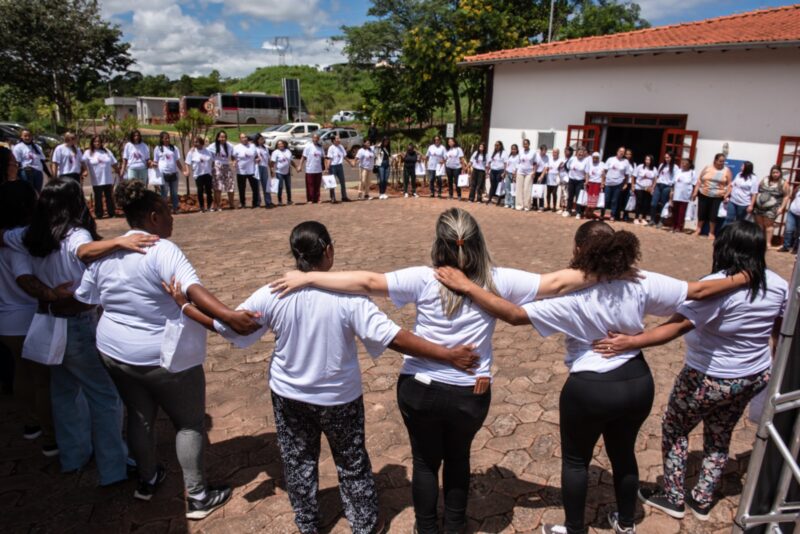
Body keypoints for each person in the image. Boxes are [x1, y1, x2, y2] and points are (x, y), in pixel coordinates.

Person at [269, 208, 614, 534]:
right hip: (470, 394)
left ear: (439, 243)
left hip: (419, 391)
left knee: (424, 463)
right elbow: (556, 283)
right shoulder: (497, 279)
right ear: (477, 241)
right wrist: (613, 267)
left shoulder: (423, 278)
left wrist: (308, 276)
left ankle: (427, 527)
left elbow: (367, 281)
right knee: (458, 459)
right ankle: (455, 525)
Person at [433, 220, 748, 534]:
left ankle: (573, 529)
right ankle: (626, 523)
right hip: (637, 381)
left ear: (578, 250)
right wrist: (745, 275)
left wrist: (469, 287)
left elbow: (514, 315)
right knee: (624, 453)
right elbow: (700, 290)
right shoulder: (641, 280)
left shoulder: (571, 300)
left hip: (590, 387)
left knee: (575, 462)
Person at [173, 220, 481, 534]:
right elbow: (395, 338)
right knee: (351, 462)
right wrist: (447, 354)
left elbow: (230, 325)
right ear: (329, 251)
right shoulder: (349, 298)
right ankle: (363, 524)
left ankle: (307, 523)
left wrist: (185, 306)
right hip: (339, 398)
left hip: (288, 395)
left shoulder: (273, 292)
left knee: (298, 462)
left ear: (296, 255)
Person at [74, 181, 258, 516]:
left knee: (139, 415)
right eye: (169, 211)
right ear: (154, 216)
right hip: (162, 356)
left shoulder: (106, 252)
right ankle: (199, 496)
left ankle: (147, 480)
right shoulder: (162, 249)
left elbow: (85, 297)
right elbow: (192, 289)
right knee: (188, 423)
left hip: (114, 352)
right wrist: (228, 315)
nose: (172, 218)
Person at [595, 221, 786, 522]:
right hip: (751, 376)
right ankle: (702, 497)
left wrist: (631, 341)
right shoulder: (777, 284)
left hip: (708, 377)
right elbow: (779, 327)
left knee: (675, 429)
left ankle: (673, 496)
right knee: (720, 434)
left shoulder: (718, 286)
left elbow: (678, 325)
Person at [1, 178, 159, 486]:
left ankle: (73, 457)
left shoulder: (30, 235)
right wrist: (118, 242)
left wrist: (47, 294)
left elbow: (12, 252)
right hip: (78, 322)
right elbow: (85, 251)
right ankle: (113, 467)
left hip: (48, 321)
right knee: (105, 396)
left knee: (64, 392)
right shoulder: (76, 233)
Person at [0, 179, 65, 456]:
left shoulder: (5, 237)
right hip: (29, 318)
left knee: (21, 374)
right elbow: (25, 277)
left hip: (7, 321)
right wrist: (52, 295)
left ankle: (31, 423)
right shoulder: (22, 240)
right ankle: (50, 437)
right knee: (43, 381)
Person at [692, 153, 732, 239]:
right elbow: (699, 180)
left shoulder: (726, 170)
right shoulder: (707, 168)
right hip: (703, 193)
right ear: (715, 160)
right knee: (701, 213)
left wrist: (726, 195)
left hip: (717, 196)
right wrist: (695, 192)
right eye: (720, 161)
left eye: (723, 161)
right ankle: (698, 230)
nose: (722, 163)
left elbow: (729, 184)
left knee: (713, 215)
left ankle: (711, 232)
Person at [752, 165, 790, 245]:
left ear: (780, 173)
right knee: (759, 225)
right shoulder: (765, 179)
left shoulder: (783, 183)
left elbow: (786, 196)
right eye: (773, 172)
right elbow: (757, 189)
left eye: (777, 172)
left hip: (772, 208)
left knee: (768, 225)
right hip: (759, 206)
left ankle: (767, 243)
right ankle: (758, 241)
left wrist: (781, 208)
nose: (775, 174)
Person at [83, 135, 118, 219]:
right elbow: (82, 162)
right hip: (97, 179)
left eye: (99, 141)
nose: (97, 143)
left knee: (109, 197)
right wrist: (85, 170)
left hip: (107, 178)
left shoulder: (106, 151)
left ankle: (111, 213)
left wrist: (118, 170)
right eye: (95, 141)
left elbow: (113, 163)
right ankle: (99, 214)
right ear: (92, 142)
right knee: (98, 197)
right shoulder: (88, 152)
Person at [152, 131, 182, 214]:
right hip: (163, 174)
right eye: (165, 138)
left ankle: (175, 208)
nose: (167, 140)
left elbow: (177, 161)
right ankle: (164, 210)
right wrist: (153, 165)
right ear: (161, 139)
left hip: (173, 173)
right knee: (164, 193)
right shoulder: (158, 148)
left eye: (168, 138)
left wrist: (183, 170)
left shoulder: (174, 148)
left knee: (174, 193)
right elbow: (155, 161)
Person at [184, 136, 214, 212]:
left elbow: (212, 161)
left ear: (201, 143)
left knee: (208, 191)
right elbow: (187, 163)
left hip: (207, 173)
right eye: (194, 142)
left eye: (197, 142)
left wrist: (212, 170)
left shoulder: (207, 151)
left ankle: (210, 206)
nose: (195, 143)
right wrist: (187, 171)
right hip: (198, 174)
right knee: (200, 191)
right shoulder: (192, 152)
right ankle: (202, 207)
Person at [602, 147, 632, 221]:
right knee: (606, 200)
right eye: (620, 151)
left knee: (614, 201)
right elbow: (604, 171)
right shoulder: (610, 159)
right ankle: (602, 214)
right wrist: (603, 181)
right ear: (617, 151)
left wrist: (625, 184)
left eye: (623, 152)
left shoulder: (625, 162)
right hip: (608, 183)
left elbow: (627, 175)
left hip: (618, 184)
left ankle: (612, 216)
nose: (621, 153)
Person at [209, 131, 236, 210]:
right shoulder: (212, 146)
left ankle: (231, 204)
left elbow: (233, 156)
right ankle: (218, 205)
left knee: (231, 185)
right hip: (217, 166)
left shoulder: (229, 146)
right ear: (218, 138)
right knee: (218, 186)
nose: (222, 138)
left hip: (226, 166)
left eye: (224, 137)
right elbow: (206, 153)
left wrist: (234, 162)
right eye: (221, 137)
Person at [295, 133, 324, 204]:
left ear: (318, 139)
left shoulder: (320, 147)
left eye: (317, 138)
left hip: (318, 169)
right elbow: (303, 157)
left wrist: (325, 168)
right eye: (314, 138)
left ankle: (317, 198)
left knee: (317, 185)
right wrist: (300, 166)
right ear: (312, 139)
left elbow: (323, 158)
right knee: (310, 185)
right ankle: (310, 199)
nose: (315, 139)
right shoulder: (308, 147)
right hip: (310, 169)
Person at [233, 133, 260, 208]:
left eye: (245, 137)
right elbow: (233, 157)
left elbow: (256, 156)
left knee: (255, 188)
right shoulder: (236, 147)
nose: (244, 139)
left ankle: (255, 203)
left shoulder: (252, 146)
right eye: (242, 138)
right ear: (240, 139)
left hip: (252, 170)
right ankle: (242, 203)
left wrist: (257, 159)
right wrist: (234, 162)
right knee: (241, 188)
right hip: (241, 171)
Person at [670, 159, 696, 233]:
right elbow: (673, 182)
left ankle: (679, 227)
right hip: (676, 194)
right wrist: (671, 191)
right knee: (675, 210)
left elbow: (694, 184)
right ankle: (673, 225)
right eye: (682, 163)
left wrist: (693, 193)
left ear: (689, 165)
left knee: (682, 212)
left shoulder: (692, 172)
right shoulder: (678, 171)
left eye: (685, 163)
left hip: (685, 195)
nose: (683, 164)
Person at [650, 152, 676, 228]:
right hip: (658, 185)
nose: (666, 159)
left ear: (672, 158)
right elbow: (657, 177)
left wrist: (672, 190)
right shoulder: (662, 165)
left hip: (667, 187)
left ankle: (661, 221)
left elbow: (674, 180)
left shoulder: (675, 167)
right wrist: (653, 187)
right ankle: (652, 220)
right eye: (665, 157)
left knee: (663, 204)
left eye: (668, 157)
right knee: (653, 203)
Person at [565, 146, 590, 217]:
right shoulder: (572, 159)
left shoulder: (586, 161)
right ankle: (568, 211)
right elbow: (567, 167)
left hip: (580, 181)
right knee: (570, 196)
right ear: (577, 153)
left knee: (578, 197)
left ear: (583, 154)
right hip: (571, 180)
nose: (580, 154)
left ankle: (578, 212)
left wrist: (586, 181)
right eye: (579, 153)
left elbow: (587, 173)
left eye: (582, 153)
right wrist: (568, 176)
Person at [632, 155, 656, 225]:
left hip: (648, 188)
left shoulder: (654, 169)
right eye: (646, 160)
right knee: (639, 202)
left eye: (649, 160)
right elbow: (633, 176)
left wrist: (652, 187)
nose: (647, 161)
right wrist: (633, 185)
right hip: (639, 187)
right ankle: (636, 218)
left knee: (646, 203)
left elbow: (655, 179)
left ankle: (643, 218)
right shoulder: (640, 166)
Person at [326, 136, 350, 203]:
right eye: (337, 139)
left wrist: (351, 163)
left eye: (339, 138)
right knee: (332, 183)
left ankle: (344, 196)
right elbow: (329, 158)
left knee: (342, 181)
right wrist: (327, 168)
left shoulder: (341, 146)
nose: (339, 140)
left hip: (340, 166)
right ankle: (332, 198)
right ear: (333, 141)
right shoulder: (331, 148)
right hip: (333, 166)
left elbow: (345, 156)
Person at [254, 134, 275, 209]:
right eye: (260, 139)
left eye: (263, 139)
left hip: (264, 167)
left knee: (266, 185)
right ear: (257, 140)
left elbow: (268, 159)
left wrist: (271, 169)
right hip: (256, 167)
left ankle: (268, 201)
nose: (262, 140)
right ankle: (257, 202)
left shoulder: (265, 148)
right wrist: (255, 160)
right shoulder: (254, 148)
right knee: (257, 186)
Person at [582, 151, 605, 220]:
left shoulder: (602, 164)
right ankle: (586, 213)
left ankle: (591, 213)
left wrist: (602, 183)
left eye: (596, 158)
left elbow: (603, 175)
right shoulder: (589, 164)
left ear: (599, 158)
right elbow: (587, 173)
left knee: (594, 199)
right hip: (590, 183)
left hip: (597, 183)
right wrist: (586, 181)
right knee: (588, 199)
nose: (595, 159)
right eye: (593, 158)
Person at [515, 139, 536, 211]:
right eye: (524, 144)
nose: (525, 145)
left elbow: (535, 163)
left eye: (526, 144)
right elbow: (518, 162)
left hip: (529, 173)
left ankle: (527, 206)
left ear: (529, 144)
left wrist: (534, 172)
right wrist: (515, 172)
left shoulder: (533, 152)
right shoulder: (520, 151)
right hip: (520, 172)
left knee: (527, 189)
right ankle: (519, 205)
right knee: (519, 189)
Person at [271, 139, 293, 205]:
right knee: (280, 186)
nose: (280, 145)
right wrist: (272, 171)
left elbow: (291, 161)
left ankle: (289, 200)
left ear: (284, 144)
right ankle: (280, 201)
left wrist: (296, 167)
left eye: (281, 144)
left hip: (287, 171)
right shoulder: (275, 152)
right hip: (279, 172)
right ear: (277, 146)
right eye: (279, 144)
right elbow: (272, 163)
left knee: (288, 187)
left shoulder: (288, 151)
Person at [778, 186, 800, 253]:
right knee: (788, 230)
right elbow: (793, 196)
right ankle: (786, 246)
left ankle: (796, 248)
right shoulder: (798, 187)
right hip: (792, 212)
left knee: (798, 232)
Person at [545, 147, 565, 212]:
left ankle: (554, 206)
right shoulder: (549, 159)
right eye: (553, 152)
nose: (554, 153)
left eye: (556, 152)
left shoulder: (561, 160)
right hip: (549, 176)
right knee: (548, 193)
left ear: (558, 153)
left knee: (554, 192)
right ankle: (548, 205)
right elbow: (547, 167)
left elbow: (561, 168)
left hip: (556, 177)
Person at [487, 141, 507, 205]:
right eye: (495, 145)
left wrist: (504, 172)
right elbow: (489, 162)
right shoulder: (493, 153)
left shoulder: (504, 153)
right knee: (492, 185)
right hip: (493, 171)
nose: (496, 146)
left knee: (499, 186)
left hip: (500, 171)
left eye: (498, 145)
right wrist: (488, 171)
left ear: (501, 146)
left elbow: (505, 163)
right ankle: (489, 199)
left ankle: (499, 200)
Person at [533, 144, 550, 211]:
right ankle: (534, 205)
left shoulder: (547, 157)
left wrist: (541, 176)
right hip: (535, 173)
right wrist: (534, 173)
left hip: (542, 174)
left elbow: (546, 167)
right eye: (543, 151)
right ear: (541, 150)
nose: (544, 152)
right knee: (535, 189)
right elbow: (535, 165)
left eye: (545, 151)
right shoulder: (536, 156)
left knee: (541, 190)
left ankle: (541, 206)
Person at [503, 143, 520, 208]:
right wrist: (505, 172)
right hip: (508, 173)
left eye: (514, 149)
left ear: (517, 150)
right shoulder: (510, 156)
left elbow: (518, 166)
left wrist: (515, 174)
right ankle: (507, 203)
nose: (513, 150)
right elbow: (507, 165)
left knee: (513, 189)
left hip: (514, 174)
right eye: (512, 149)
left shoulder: (518, 157)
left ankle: (513, 203)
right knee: (507, 189)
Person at [559, 146, 574, 214]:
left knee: (567, 194)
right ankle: (562, 207)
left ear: (570, 152)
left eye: (567, 151)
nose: (565, 152)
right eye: (565, 151)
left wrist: (564, 166)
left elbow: (570, 169)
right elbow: (559, 168)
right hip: (562, 178)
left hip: (568, 178)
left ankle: (566, 208)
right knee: (562, 193)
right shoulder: (563, 159)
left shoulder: (572, 159)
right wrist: (559, 166)